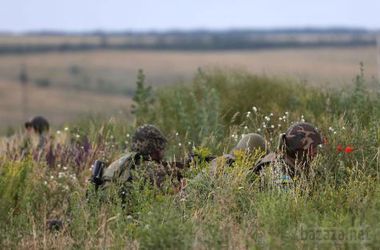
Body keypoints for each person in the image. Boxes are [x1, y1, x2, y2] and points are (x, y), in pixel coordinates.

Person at [89, 124, 184, 205]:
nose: (163, 151)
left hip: (106, 207)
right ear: (153, 146)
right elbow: (173, 189)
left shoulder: (124, 161)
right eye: (161, 146)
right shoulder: (149, 167)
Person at [252, 122, 323, 190]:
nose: (315, 152)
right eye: (312, 147)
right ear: (298, 148)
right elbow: (285, 198)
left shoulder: (299, 165)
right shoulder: (278, 167)